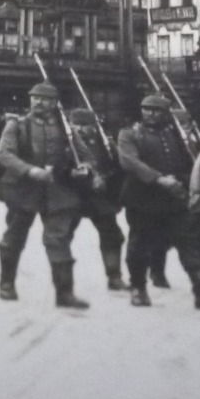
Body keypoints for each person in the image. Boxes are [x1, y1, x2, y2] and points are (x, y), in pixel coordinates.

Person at [0, 81, 91, 309]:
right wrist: (29, 170)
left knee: (58, 239)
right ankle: (6, 284)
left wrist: (83, 167)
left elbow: (85, 155)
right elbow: (4, 154)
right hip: (23, 189)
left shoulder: (66, 129)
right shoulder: (17, 125)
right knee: (14, 237)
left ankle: (65, 293)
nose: (39, 102)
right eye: (35, 97)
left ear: (55, 103)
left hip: (57, 190)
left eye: (45, 99)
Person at [116, 93, 200, 308]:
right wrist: (159, 179)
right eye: (147, 109)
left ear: (167, 113)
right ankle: (139, 288)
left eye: (157, 110)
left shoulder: (177, 135)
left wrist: (183, 181)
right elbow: (130, 161)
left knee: (190, 243)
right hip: (142, 200)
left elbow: (193, 164)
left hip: (175, 199)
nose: (151, 113)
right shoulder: (130, 134)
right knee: (139, 245)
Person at [67, 106, 127, 292]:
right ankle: (62, 281)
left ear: (93, 126)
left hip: (98, 197)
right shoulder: (64, 141)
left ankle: (114, 276)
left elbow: (119, 167)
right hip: (71, 195)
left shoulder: (105, 143)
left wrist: (105, 178)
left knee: (112, 235)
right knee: (60, 237)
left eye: (84, 125)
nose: (79, 129)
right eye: (75, 124)